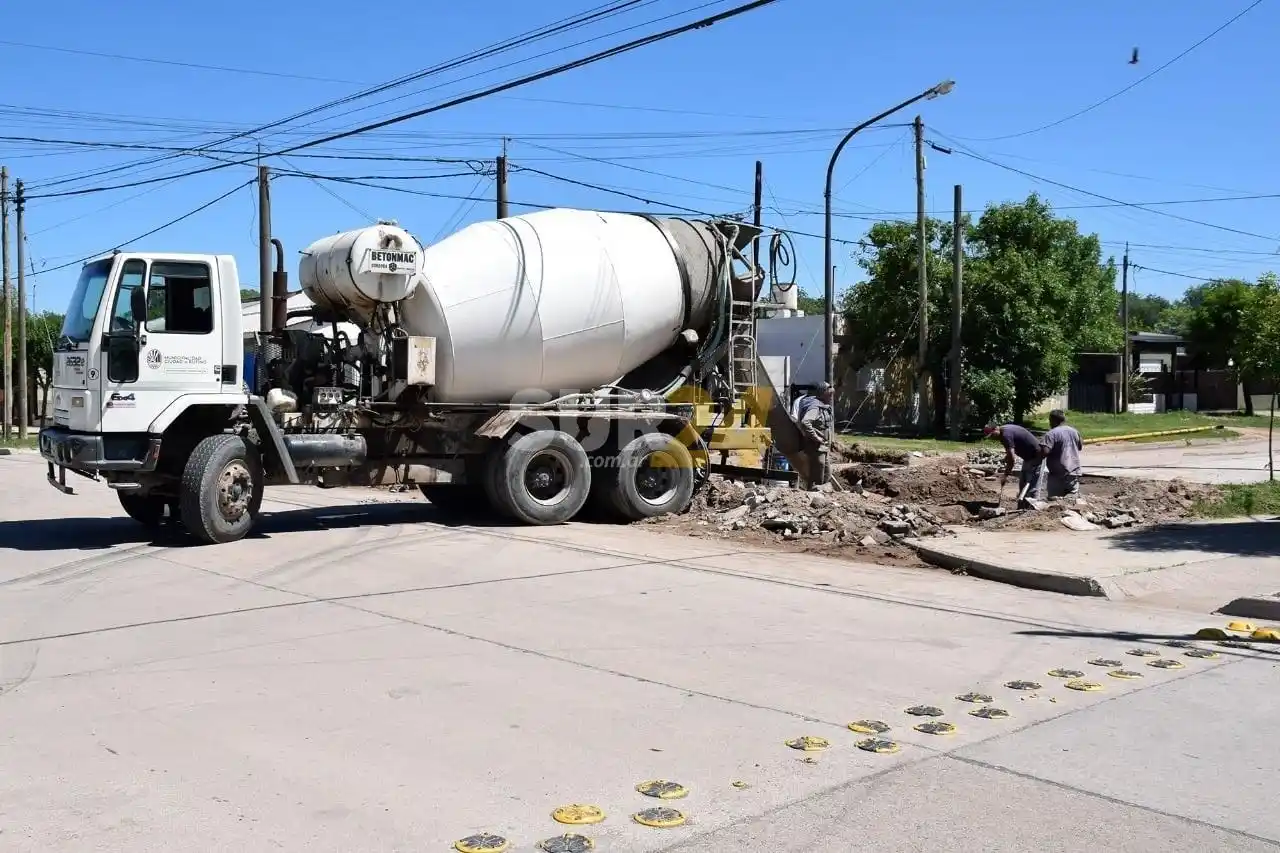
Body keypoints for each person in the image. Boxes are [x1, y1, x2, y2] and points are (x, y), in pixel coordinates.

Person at [983, 421, 1044, 505]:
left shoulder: (1005, 435)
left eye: (992, 435)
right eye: (990, 437)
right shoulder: (1004, 431)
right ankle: (1022, 505)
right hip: (1028, 456)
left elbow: (1012, 459)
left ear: (996, 428)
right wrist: (1007, 457)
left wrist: (1005, 475)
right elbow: (1011, 451)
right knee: (1023, 481)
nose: (992, 438)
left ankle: (1031, 509)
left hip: (1036, 455)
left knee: (1031, 485)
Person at [795, 381, 834, 490]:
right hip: (815, 447)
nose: (831, 398)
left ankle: (823, 495)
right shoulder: (814, 407)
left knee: (827, 473)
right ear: (822, 394)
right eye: (829, 395)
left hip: (823, 447)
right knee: (818, 473)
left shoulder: (823, 406)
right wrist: (816, 437)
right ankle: (813, 495)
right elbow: (805, 422)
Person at [1039, 409, 1083, 498]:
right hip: (1073, 473)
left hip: (1057, 475)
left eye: (1050, 420)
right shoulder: (1074, 431)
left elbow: (1045, 452)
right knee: (1071, 501)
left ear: (1053, 420)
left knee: (1055, 503)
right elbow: (1080, 446)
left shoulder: (1051, 434)